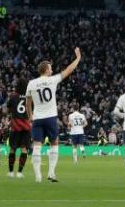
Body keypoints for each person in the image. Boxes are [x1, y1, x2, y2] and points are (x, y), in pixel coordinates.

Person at [25, 47, 82, 183]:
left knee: (37, 146)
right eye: (50, 68)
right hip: (50, 118)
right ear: (46, 70)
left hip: (37, 118)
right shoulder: (52, 80)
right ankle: (51, 173)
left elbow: (28, 102)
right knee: (54, 144)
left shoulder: (32, 83)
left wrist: (30, 116)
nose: (52, 70)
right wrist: (78, 58)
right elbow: (69, 70)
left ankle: (38, 176)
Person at [6, 80, 32, 178]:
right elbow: (31, 110)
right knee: (24, 149)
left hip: (15, 126)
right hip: (26, 126)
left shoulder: (12, 97)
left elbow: (8, 110)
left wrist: (11, 115)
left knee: (13, 149)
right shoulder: (29, 97)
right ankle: (20, 173)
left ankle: (11, 172)